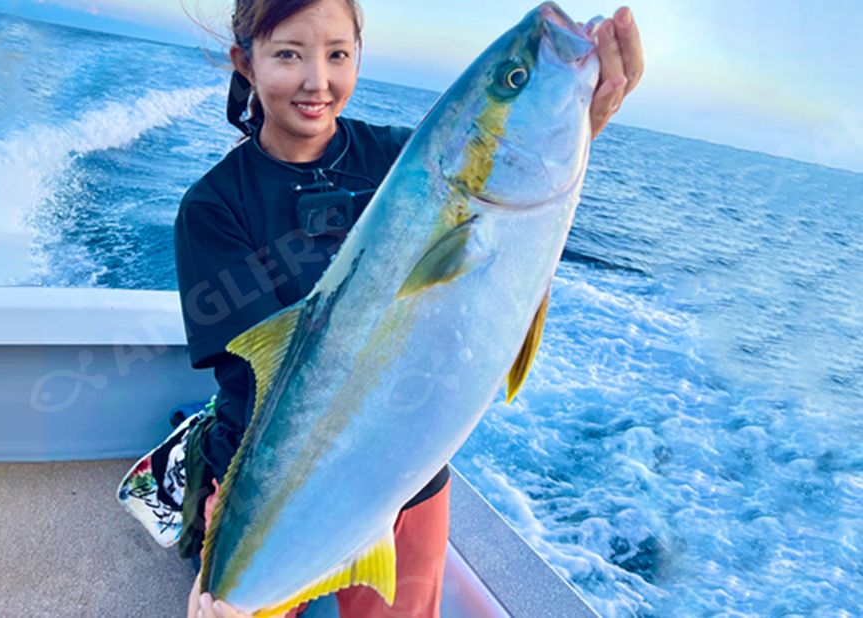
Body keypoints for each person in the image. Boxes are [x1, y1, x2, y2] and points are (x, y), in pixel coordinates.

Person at [174, 1, 644, 616]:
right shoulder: (213, 206)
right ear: (246, 62)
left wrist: (587, 121)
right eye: (288, 54)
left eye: (338, 54)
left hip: (409, 475)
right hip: (271, 487)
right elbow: (259, 378)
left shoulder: (406, 159)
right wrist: (220, 564)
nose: (317, 80)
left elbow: (516, 197)